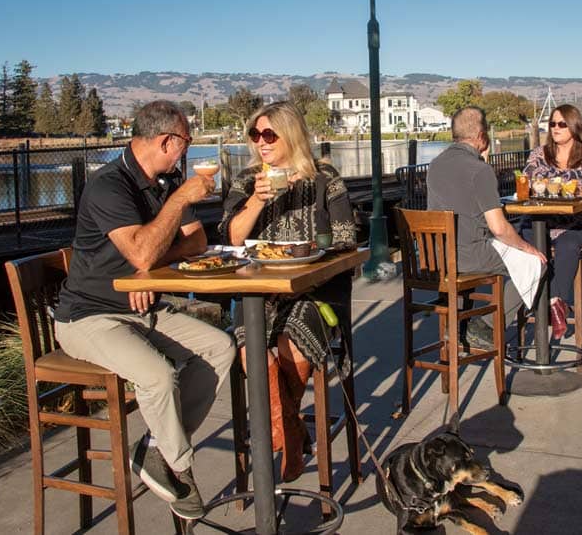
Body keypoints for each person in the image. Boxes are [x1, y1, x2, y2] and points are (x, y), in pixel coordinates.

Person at [54, 100, 236, 521]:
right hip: (89, 316)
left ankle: (157, 451)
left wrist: (149, 271)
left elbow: (196, 243)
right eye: (187, 141)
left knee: (220, 347)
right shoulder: (109, 186)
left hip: (141, 309)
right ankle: (181, 469)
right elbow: (139, 252)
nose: (188, 151)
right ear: (167, 141)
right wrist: (175, 209)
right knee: (158, 376)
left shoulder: (166, 182)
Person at [218, 101, 357, 482]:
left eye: (269, 135)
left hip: (317, 290)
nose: (260, 143)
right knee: (250, 350)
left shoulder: (325, 178)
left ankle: (282, 434)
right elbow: (231, 237)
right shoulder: (247, 182)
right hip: (260, 292)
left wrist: (312, 254)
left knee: (289, 344)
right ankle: (290, 432)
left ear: (290, 135)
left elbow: (347, 239)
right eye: (255, 135)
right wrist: (257, 202)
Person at [424, 106, 547, 349]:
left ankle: (457, 326)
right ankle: (488, 326)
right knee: (536, 264)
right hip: (468, 257)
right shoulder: (479, 171)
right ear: (482, 136)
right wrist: (528, 248)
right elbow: (499, 228)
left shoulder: (436, 165)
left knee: (495, 251)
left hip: (437, 258)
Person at [522, 104, 582, 339]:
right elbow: (526, 181)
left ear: (574, 126)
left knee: (568, 245)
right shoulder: (539, 154)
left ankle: (554, 301)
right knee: (528, 249)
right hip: (539, 223)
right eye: (552, 124)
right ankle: (555, 306)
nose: (555, 128)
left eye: (561, 124)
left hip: (577, 224)